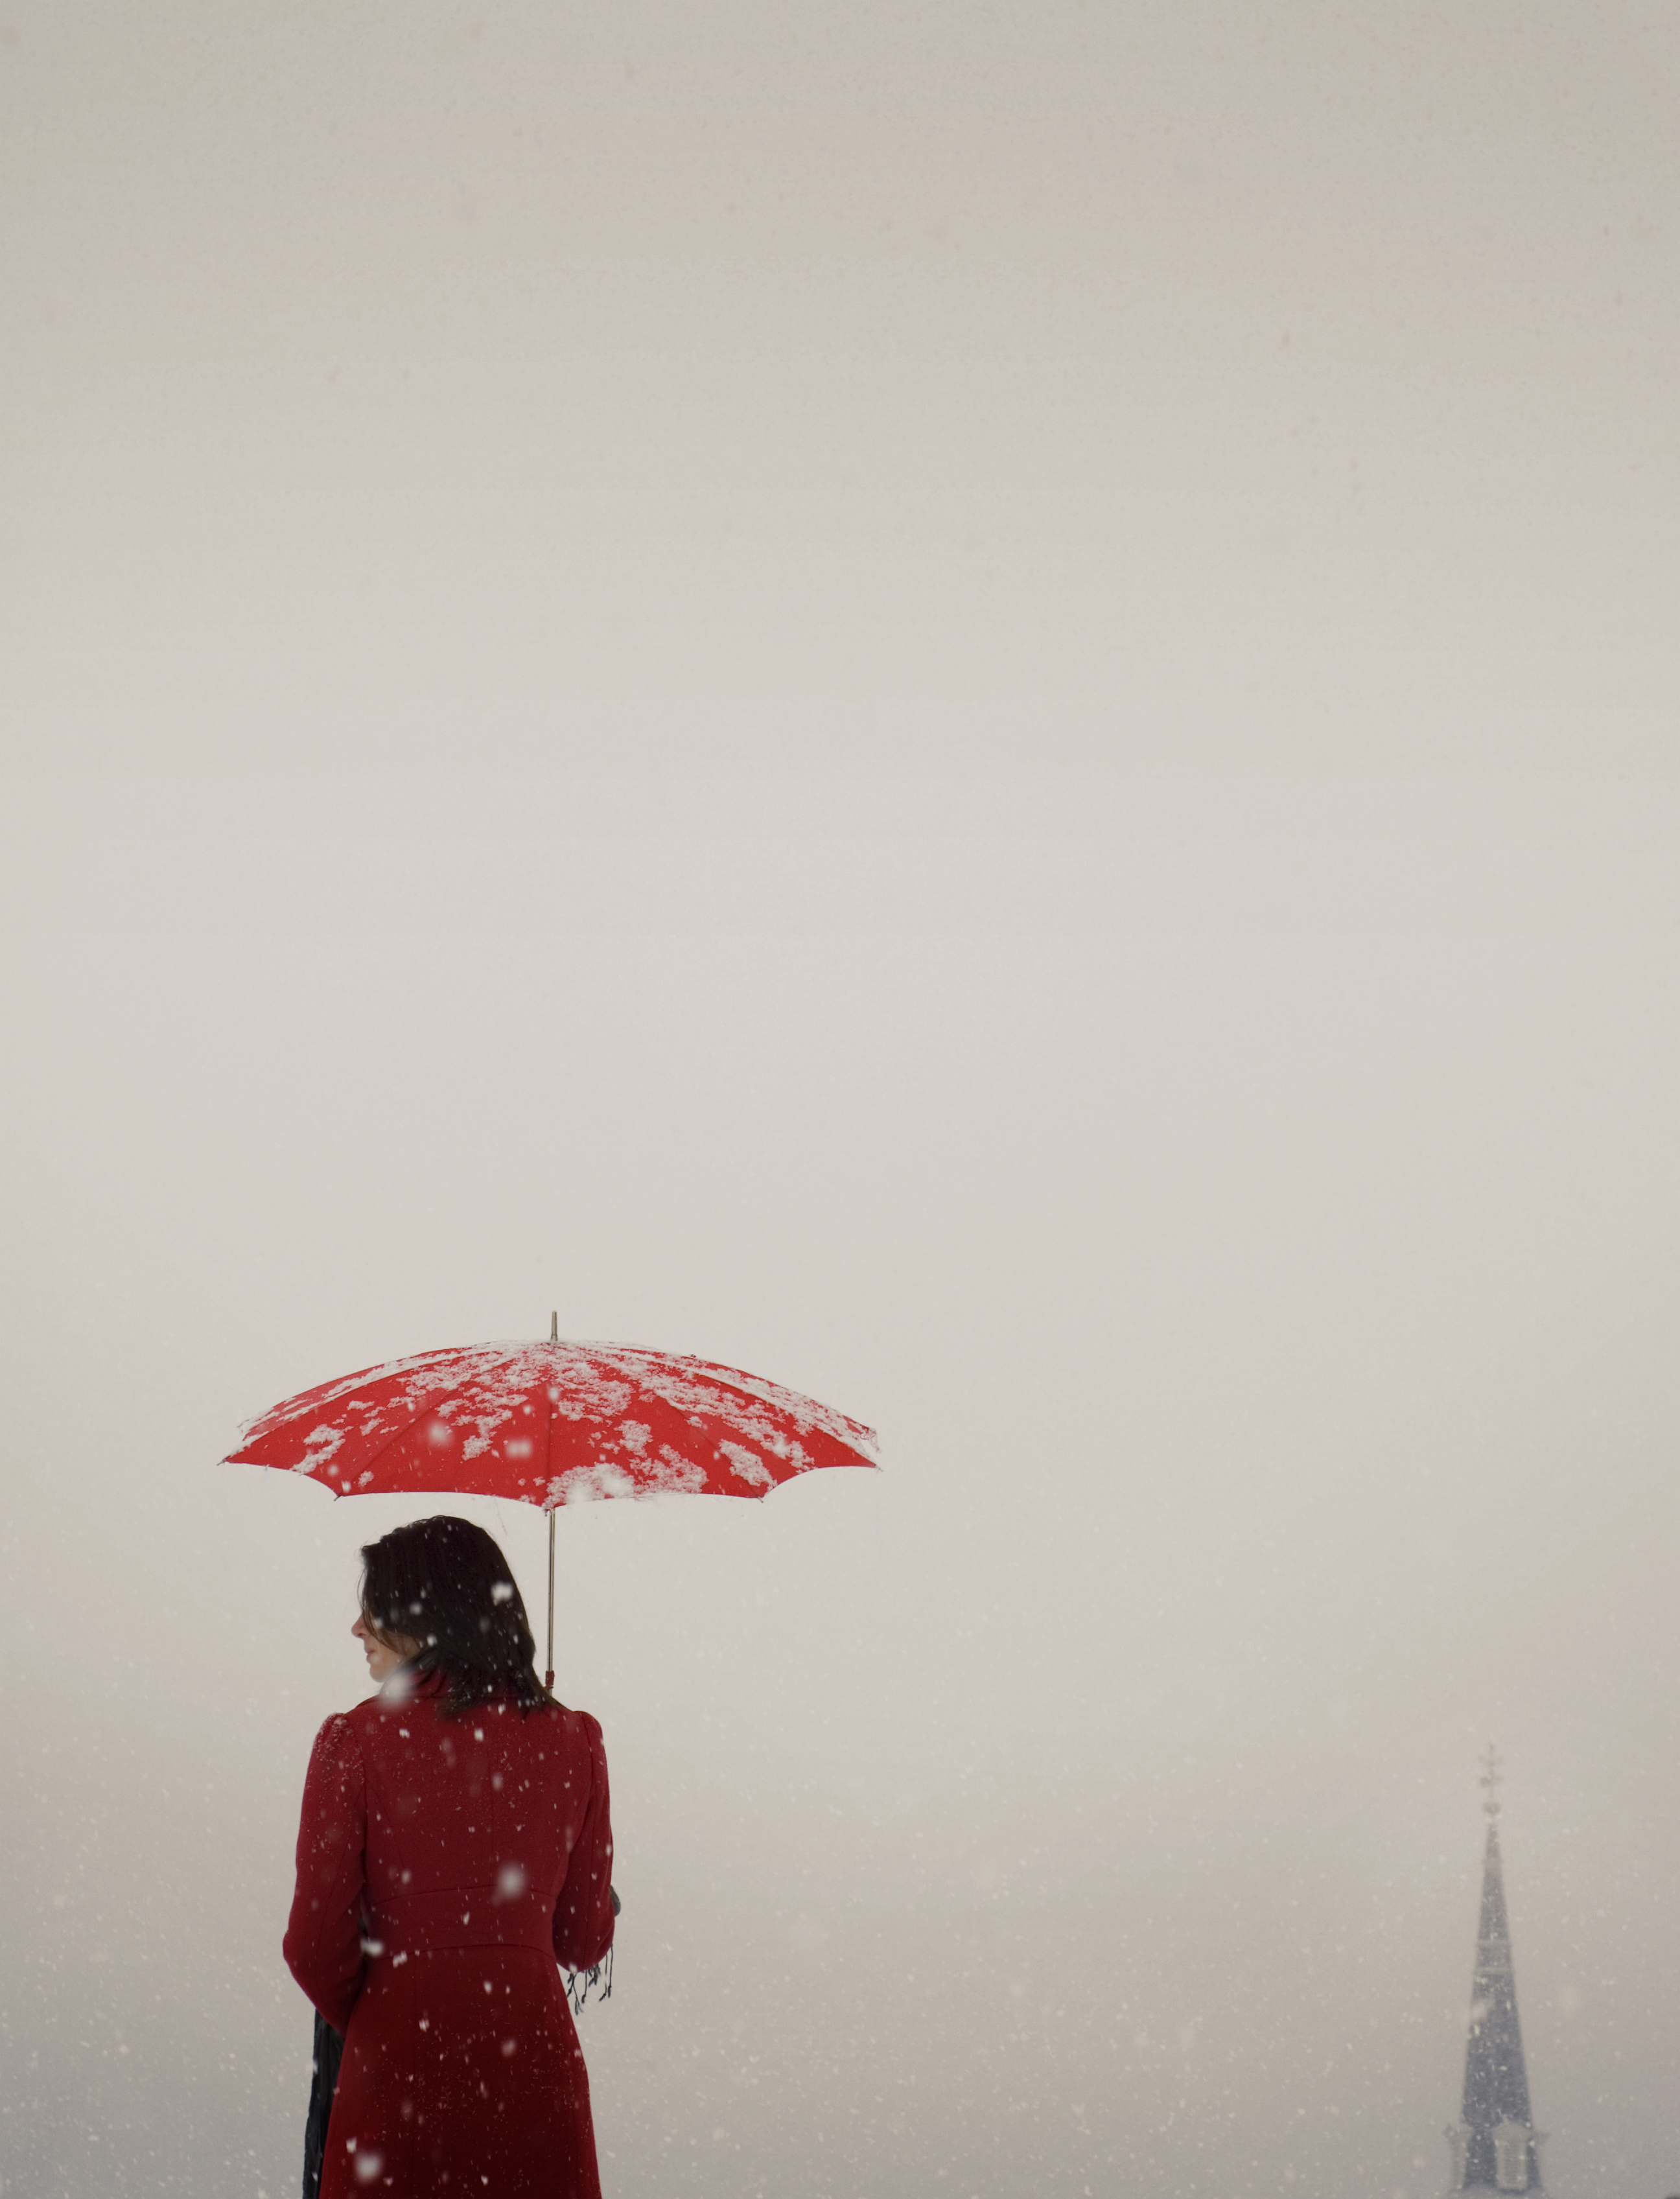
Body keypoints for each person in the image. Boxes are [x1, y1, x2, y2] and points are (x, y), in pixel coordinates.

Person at [285, 1515, 616, 2198]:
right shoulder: (575, 1740)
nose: (357, 1628)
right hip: (533, 2074)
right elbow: (582, 1941)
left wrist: (390, 2017)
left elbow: (315, 1947)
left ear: (424, 1617)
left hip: (395, 2078)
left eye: (374, 1609)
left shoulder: (353, 1741)